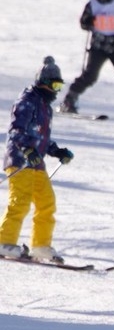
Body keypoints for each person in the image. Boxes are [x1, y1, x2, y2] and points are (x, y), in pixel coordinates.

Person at [1, 57, 73, 264]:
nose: (57, 91)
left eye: (60, 86)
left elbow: (42, 137)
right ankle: (4, 241)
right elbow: (16, 131)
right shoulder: (26, 102)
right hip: (20, 160)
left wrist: (57, 151)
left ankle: (41, 246)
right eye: (55, 86)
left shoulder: (45, 107)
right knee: (21, 201)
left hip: (36, 163)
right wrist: (27, 150)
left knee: (46, 202)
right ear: (44, 83)